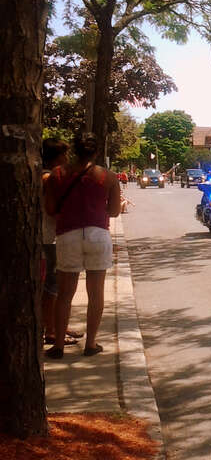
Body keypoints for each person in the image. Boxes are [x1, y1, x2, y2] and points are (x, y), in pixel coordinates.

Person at [44, 133, 121, 359]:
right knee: (95, 294)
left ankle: (58, 345)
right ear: (96, 152)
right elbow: (115, 211)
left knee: (65, 294)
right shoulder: (108, 176)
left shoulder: (56, 175)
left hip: (68, 235)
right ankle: (91, 344)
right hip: (98, 234)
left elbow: (50, 209)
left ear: (74, 150)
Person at [41, 138, 82, 347]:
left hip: (54, 236)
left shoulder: (49, 176)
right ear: (56, 158)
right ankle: (51, 330)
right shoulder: (48, 178)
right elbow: (52, 209)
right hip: (49, 237)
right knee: (52, 285)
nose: (66, 159)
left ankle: (59, 325)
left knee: (59, 285)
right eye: (64, 156)